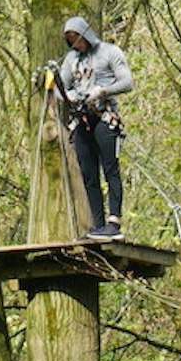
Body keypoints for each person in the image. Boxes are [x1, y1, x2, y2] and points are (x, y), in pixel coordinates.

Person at [56, 15, 133, 242]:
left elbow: (127, 82)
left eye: (78, 39)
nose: (76, 44)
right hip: (81, 119)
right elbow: (61, 86)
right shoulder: (71, 59)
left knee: (110, 169)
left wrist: (103, 91)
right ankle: (97, 224)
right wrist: (68, 95)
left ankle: (114, 221)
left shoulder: (109, 52)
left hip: (104, 116)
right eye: (71, 41)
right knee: (89, 173)